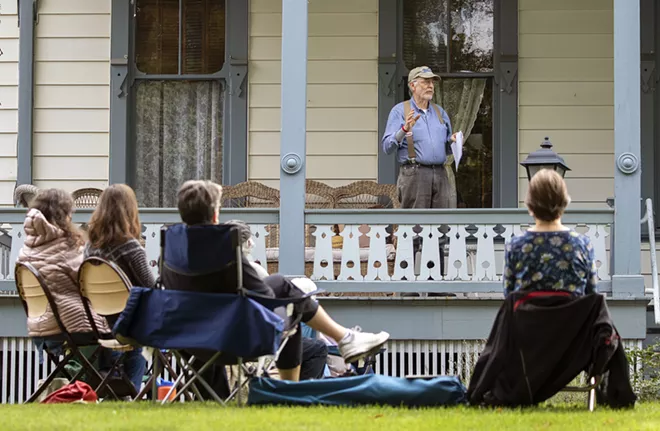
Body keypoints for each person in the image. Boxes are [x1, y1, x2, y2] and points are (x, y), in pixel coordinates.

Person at [162, 180, 390, 383]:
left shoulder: (172, 250)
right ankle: (340, 343)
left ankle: (346, 339)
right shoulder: (224, 246)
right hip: (231, 337)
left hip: (188, 339)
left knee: (288, 297)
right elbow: (265, 295)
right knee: (285, 293)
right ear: (214, 214)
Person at [83, 184, 151, 391]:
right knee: (141, 334)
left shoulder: (90, 247)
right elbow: (150, 286)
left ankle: (116, 390)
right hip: (129, 324)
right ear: (130, 211)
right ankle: (132, 391)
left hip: (100, 321)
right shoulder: (130, 247)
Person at [503, 169, 598, 298]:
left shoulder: (515, 245)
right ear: (564, 202)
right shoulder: (582, 244)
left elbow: (509, 295)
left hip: (528, 318)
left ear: (530, 204)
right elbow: (591, 295)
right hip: (573, 318)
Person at [381, 66, 458, 209]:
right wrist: (404, 129)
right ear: (412, 86)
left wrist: (453, 142)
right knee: (415, 225)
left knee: (441, 225)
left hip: (441, 174)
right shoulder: (399, 111)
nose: (430, 86)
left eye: (432, 82)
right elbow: (387, 147)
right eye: (425, 82)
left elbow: (446, 149)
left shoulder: (439, 112)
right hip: (414, 174)